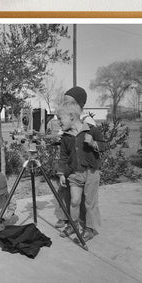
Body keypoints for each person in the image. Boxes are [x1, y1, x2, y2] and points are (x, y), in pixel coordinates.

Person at [56, 99, 107, 242]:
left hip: (91, 173)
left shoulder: (92, 130)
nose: (59, 122)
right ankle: (73, 225)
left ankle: (90, 229)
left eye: (60, 118)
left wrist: (93, 143)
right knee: (75, 201)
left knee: (90, 202)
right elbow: (63, 157)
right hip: (74, 174)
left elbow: (104, 146)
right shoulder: (66, 137)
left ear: (72, 117)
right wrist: (61, 173)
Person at [54, 86, 88, 230]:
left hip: (79, 166)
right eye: (65, 102)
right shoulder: (65, 116)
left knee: (79, 197)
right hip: (66, 160)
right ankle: (64, 217)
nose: (66, 104)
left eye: (69, 102)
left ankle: (81, 220)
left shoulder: (87, 121)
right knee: (63, 190)